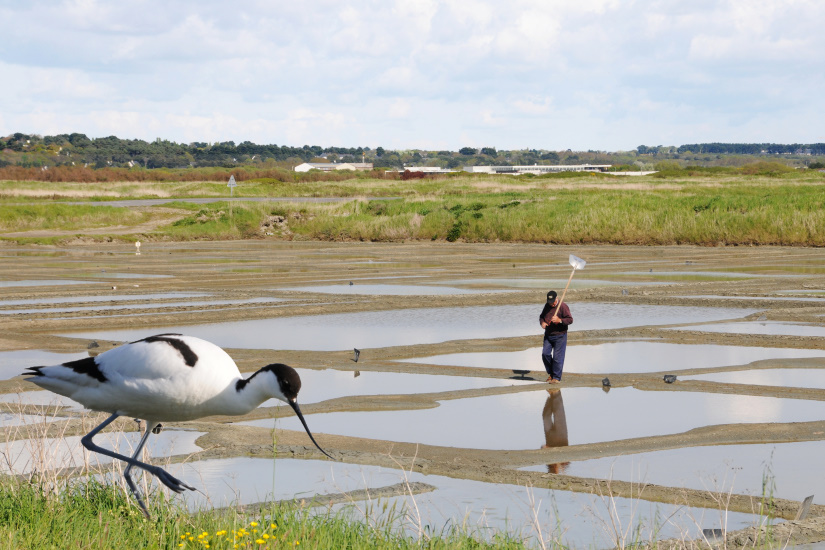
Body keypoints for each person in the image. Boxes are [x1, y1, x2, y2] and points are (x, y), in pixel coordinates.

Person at [539, 290, 573, 384]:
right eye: (550, 302)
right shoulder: (547, 306)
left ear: (557, 298)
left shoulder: (563, 306)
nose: (552, 304)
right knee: (545, 354)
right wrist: (542, 323)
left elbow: (570, 320)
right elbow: (541, 317)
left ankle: (556, 378)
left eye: (553, 302)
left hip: (560, 335)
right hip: (548, 335)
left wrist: (560, 320)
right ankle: (551, 373)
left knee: (558, 358)